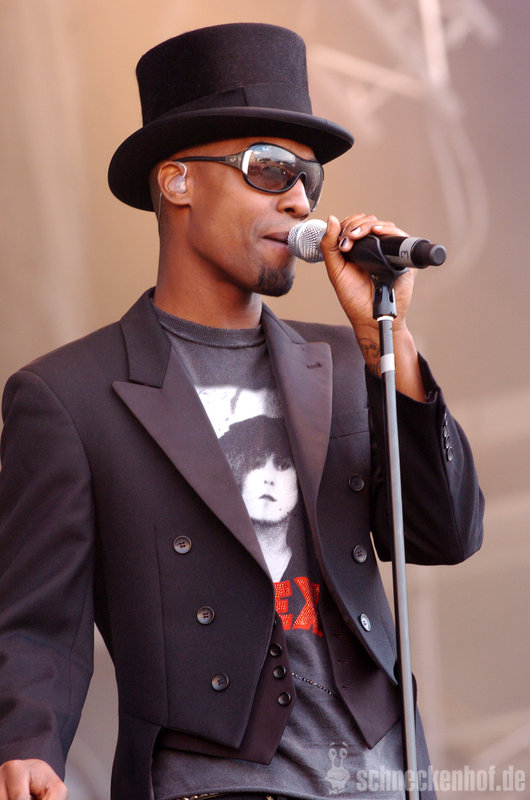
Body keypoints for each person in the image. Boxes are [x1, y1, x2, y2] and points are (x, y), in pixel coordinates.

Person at [0, 22, 483, 800]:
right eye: (268, 169)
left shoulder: (348, 360)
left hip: (386, 778)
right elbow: (37, 622)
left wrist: (387, 342)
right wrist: (27, 744)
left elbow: (447, 534)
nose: (298, 198)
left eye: (307, 177)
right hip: (211, 783)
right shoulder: (69, 396)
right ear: (177, 182)